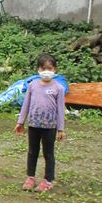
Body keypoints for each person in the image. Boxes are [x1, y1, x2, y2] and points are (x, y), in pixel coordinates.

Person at [14, 53, 65, 193]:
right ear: (38, 69)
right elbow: (26, 104)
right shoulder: (33, 85)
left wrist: (61, 129)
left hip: (49, 127)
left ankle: (48, 180)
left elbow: (61, 109)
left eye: (50, 68)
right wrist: (20, 122)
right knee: (32, 152)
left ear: (55, 70)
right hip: (34, 125)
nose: (46, 72)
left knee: (48, 153)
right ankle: (30, 177)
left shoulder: (58, 88)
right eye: (43, 68)